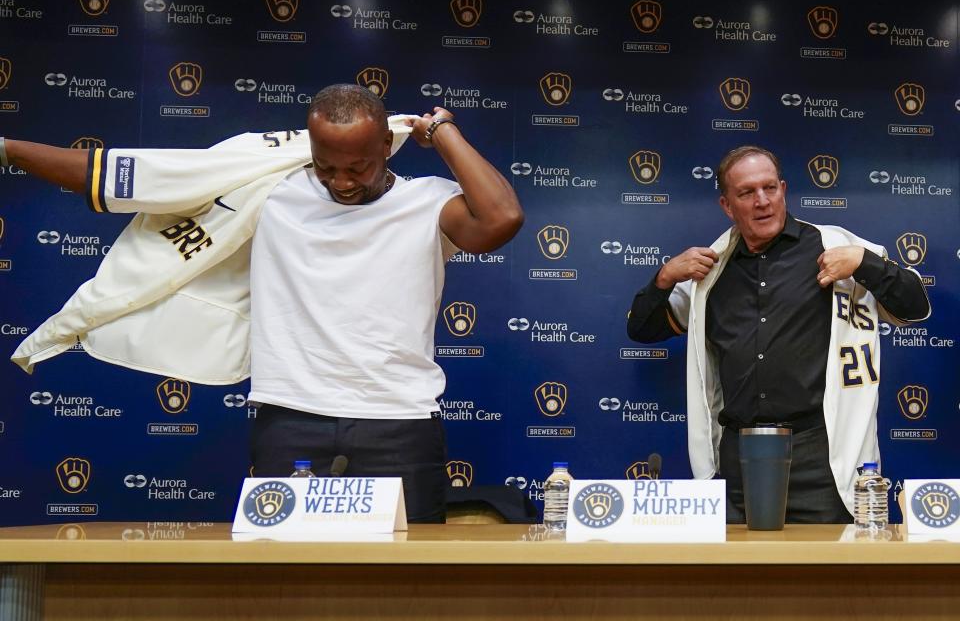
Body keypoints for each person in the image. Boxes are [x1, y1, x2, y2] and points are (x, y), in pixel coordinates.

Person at [4, 84, 523, 523]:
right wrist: (8, 149)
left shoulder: (429, 201)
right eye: (327, 167)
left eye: (358, 167)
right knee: (285, 581)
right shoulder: (267, 187)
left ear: (388, 143)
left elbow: (501, 218)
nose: (342, 182)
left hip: (400, 423)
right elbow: (126, 175)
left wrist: (443, 133)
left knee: (409, 586)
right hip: (290, 418)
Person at [626, 145, 929, 523]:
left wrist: (864, 263)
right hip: (738, 460)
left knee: (829, 578)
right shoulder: (712, 271)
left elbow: (915, 306)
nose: (762, 201)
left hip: (821, 459)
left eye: (770, 187)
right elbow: (642, 328)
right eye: (747, 193)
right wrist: (664, 277)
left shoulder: (834, 246)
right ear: (726, 205)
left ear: (784, 189)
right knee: (738, 580)